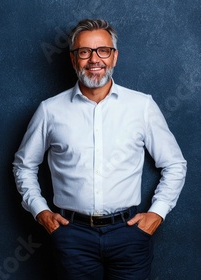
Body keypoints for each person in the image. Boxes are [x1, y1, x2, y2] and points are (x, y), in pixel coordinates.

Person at [12, 18, 187, 279]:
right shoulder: (50, 111)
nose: (95, 59)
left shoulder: (142, 107)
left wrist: (156, 214)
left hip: (130, 234)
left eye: (102, 50)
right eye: (84, 52)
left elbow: (174, 164)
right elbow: (24, 166)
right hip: (72, 237)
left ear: (114, 57)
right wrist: (42, 212)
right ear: (74, 60)